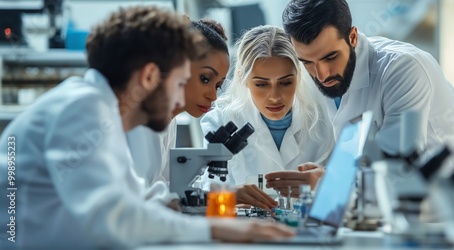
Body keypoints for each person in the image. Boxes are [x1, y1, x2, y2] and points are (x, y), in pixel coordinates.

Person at [0, 7, 293, 249]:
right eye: (180, 83)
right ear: (151, 75)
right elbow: (115, 216)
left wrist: (210, 213)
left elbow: (140, 197)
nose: (181, 98)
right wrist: (215, 231)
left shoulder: (100, 111)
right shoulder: (83, 108)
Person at [265, 0, 454, 196]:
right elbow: (365, 162)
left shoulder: (404, 68)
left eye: (330, 57)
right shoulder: (330, 78)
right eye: (307, 62)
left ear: (353, 37)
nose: (322, 75)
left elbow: (397, 168)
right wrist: (324, 175)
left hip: (446, 200)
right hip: (386, 206)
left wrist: (327, 182)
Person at [200, 25, 335, 210]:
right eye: (262, 84)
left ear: (299, 75)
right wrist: (230, 197)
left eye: (286, 82)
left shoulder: (326, 117)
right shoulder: (220, 122)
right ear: (242, 78)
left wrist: (324, 184)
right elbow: (206, 195)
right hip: (247, 234)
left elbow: (351, 188)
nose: (275, 96)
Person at [126, 18, 230, 207]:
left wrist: (213, 194)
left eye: (218, 86)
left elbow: (165, 188)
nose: (213, 96)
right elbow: (135, 197)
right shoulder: (137, 119)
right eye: (205, 79)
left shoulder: (169, 121)